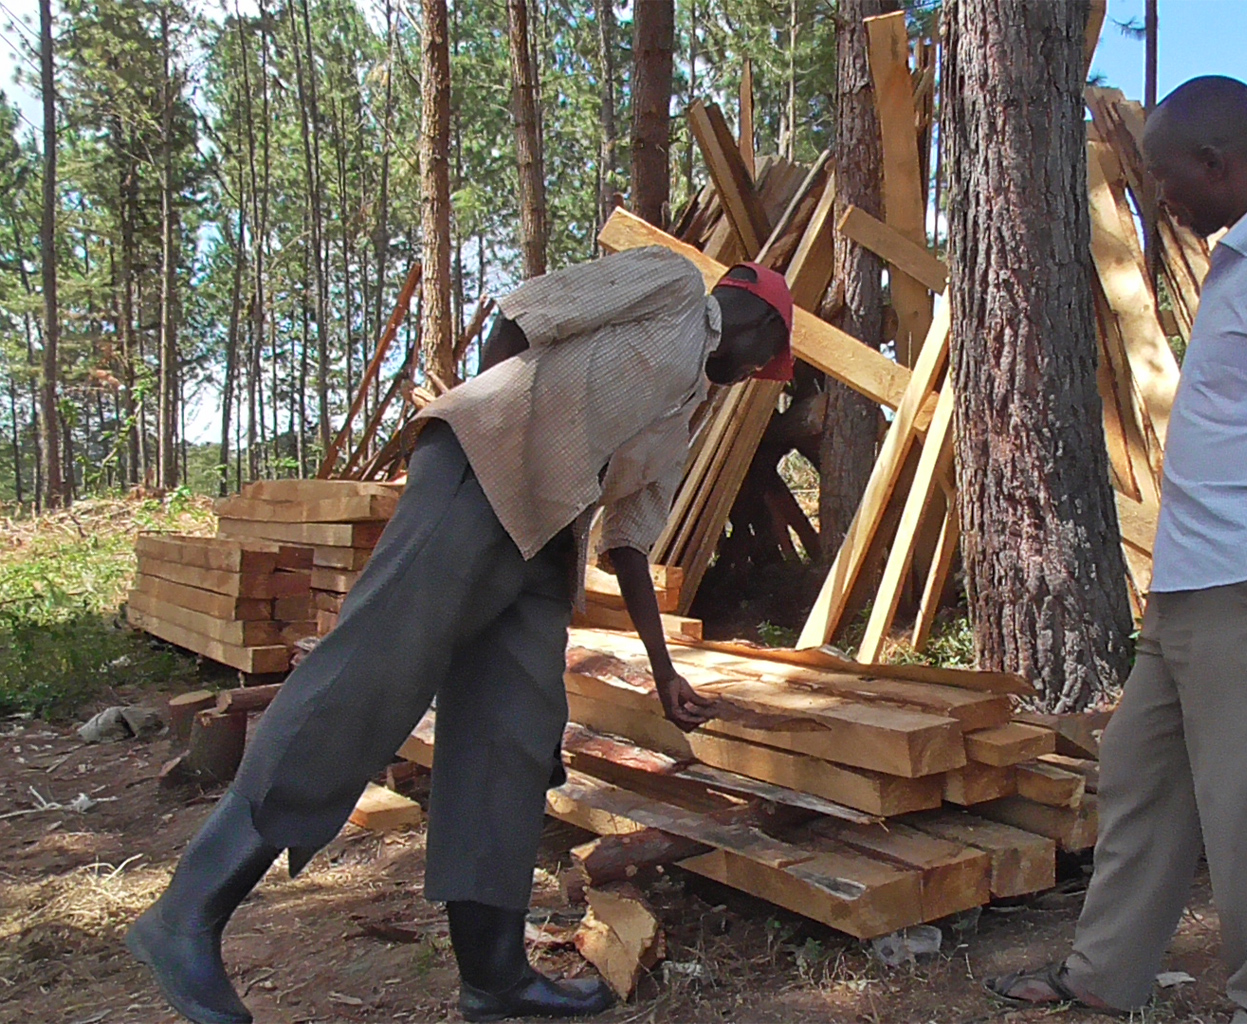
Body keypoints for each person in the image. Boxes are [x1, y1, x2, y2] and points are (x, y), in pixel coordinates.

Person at [126, 246, 796, 1024]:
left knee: (513, 734)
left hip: (548, 540)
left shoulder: (684, 417)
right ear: (758, 317)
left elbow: (629, 545)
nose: (756, 376)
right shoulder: (674, 285)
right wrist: (502, 432)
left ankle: (494, 977)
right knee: (367, 677)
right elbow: (519, 315)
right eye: (764, 360)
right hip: (480, 476)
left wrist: (662, 667)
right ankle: (186, 913)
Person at [985, 76, 1247, 1024]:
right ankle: (1102, 977)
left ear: (1221, 164)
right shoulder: (1243, 259)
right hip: (1197, 584)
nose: (1156, 196)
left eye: (1166, 177)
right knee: (1141, 777)